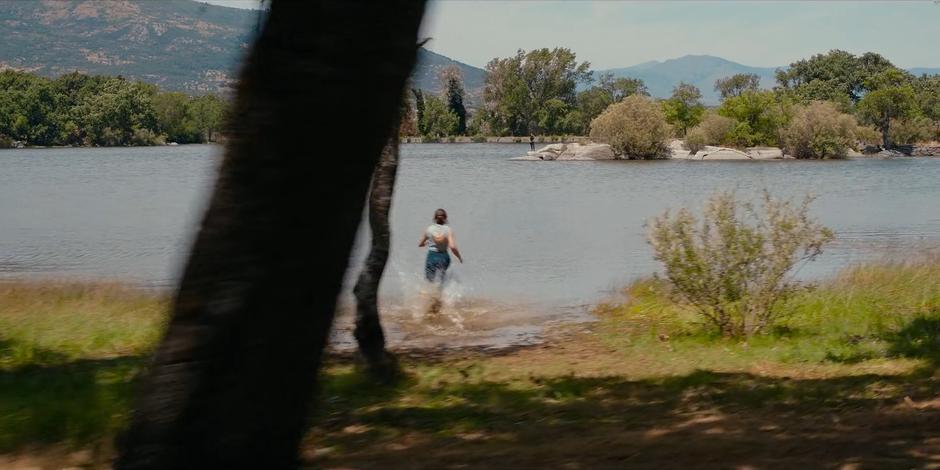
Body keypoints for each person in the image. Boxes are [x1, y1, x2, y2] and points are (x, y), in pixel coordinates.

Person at [419, 208, 463, 284]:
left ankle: (430, 294)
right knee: (441, 280)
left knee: (429, 281)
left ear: (435, 218)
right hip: (443, 257)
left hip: (431, 257)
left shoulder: (429, 229)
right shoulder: (448, 230)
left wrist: (425, 243)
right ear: (445, 218)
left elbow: (420, 244)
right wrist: (459, 257)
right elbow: (452, 247)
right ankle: (441, 293)